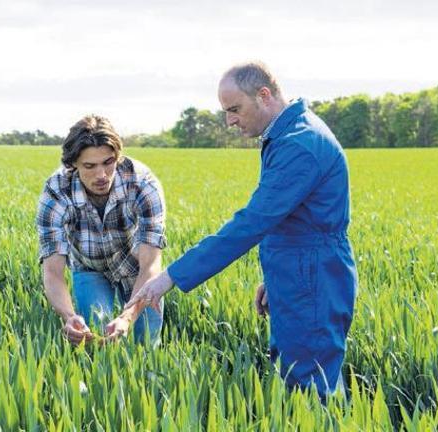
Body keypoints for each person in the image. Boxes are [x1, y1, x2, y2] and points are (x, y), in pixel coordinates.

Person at [120, 61, 358, 399]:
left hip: (313, 278)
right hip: (301, 273)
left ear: (263, 95)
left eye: (235, 109)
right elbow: (292, 222)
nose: (230, 120)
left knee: (309, 388)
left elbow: (251, 223)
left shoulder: (299, 144)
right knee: (297, 377)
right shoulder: (290, 133)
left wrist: (169, 276)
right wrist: (277, 277)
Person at [36, 114, 167, 346]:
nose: (101, 175)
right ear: (72, 164)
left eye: (108, 162)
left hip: (137, 269)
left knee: (146, 343)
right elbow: (53, 271)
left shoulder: (142, 183)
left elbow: (150, 264)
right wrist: (68, 316)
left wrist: (128, 316)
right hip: (89, 267)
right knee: (96, 337)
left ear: (117, 156)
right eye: (89, 166)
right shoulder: (56, 191)